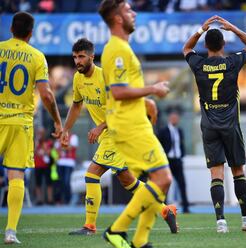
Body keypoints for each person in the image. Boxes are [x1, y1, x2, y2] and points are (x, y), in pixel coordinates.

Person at [63, 38, 177, 235]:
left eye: (81, 57)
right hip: (108, 135)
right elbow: (76, 105)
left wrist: (100, 126)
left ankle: (89, 225)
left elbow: (120, 107)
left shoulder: (105, 77)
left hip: (116, 131)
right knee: (127, 180)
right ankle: (165, 210)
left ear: (91, 56)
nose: (77, 61)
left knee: (92, 174)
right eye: (74, 57)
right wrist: (65, 129)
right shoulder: (77, 79)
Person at [99, 0, 176, 248]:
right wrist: (152, 89)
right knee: (163, 179)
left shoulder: (122, 49)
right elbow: (119, 93)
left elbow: (121, 91)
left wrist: (147, 100)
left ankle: (141, 241)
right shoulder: (117, 50)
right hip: (129, 126)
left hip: (135, 122)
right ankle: (117, 230)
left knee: (159, 181)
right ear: (118, 18)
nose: (134, 13)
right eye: (128, 9)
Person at [183, 15, 246, 233]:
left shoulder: (199, 64)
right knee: (238, 171)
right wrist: (232, 27)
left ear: (206, 46)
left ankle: (221, 222)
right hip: (230, 125)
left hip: (209, 125)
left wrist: (200, 29)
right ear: (223, 44)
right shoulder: (232, 63)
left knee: (216, 175)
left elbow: (186, 48)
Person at [0, 12, 62, 244]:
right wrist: (57, 120)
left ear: (11, 29)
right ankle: (10, 232)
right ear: (31, 33)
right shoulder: (36, 56)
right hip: (20, 123)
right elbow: (46, 94)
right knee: (16, 175)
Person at [158, 109, 190, 213]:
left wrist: (182, 156)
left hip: (177, 161)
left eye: (176, 118)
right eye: (173, 118)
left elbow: (180, 144)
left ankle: (186, 208)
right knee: (166, 184)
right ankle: (164, 208)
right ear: (169, 119)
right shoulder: (163, 131)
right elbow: (159, 146)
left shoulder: (179, 131)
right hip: (168, 161)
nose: (175, 119)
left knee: (182, 184)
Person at [33, 127, 54, 205]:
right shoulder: (35, 142)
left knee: (49, 183)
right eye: (39, 133)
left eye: (42, 133)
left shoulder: (48, 142)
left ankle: (50, 199)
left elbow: (48, 152)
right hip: (37, 165)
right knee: (38, 183)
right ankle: (39, 199)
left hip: (46, 165)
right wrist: (37, 143)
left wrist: (43, 149)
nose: (40, 135)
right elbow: (34, 152)